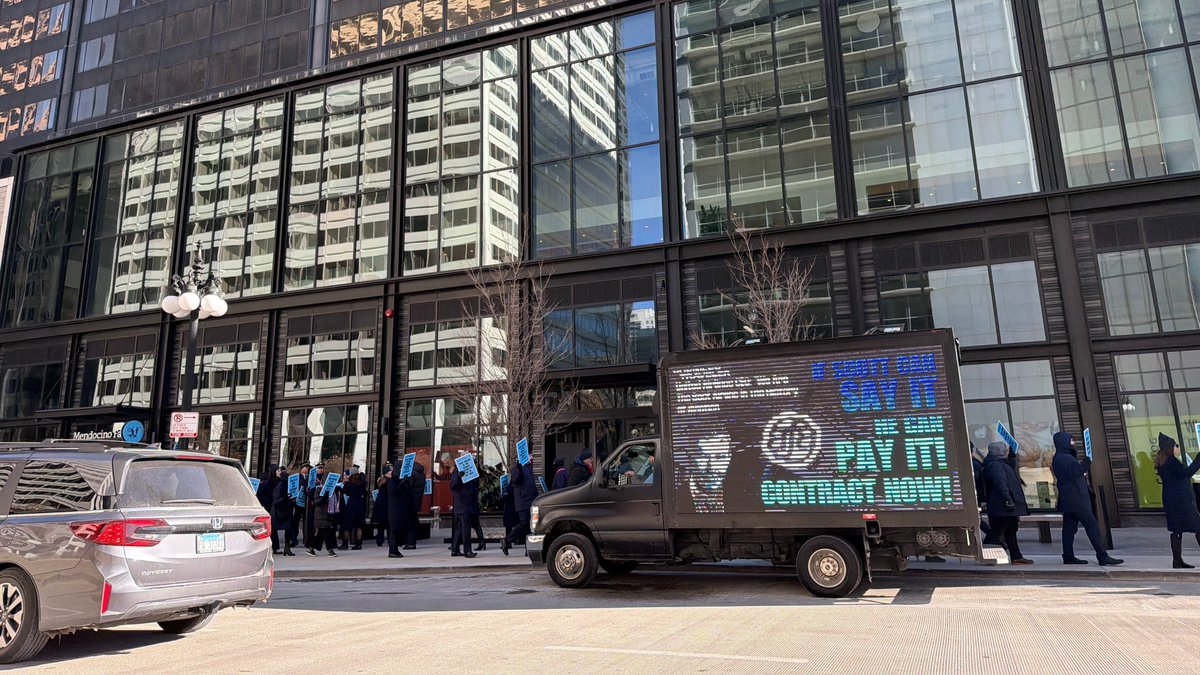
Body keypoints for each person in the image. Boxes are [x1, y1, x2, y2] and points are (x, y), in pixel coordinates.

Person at [1051, 431, 1122, 566]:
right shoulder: (1064, 458)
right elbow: (1075, 472)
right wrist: (1086, 463)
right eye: (1071, 441)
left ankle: (1068, 555)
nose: (1073, 443)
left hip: (1069, 499)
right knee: (1092, 527)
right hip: (1077, 498)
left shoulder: (1061, 457)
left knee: (1069, 529)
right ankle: (1102, 555)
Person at [981, 442, 1032, 564]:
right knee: (999, 530)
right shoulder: (994, 465)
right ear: (999, 451)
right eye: (1005, 449)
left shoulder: (997, 463)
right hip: (1002, 505)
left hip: (1003, 504)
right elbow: (1000, 482)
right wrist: (1007, 499)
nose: (1007, 451)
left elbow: (1008, 465)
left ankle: (1016, 556)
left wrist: (1012, 457)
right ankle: (987, 554)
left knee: (1011, 529)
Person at [1155, 432, 1200, 569]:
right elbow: (1186, 473)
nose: (1178, 447)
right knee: (1198, 527)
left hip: (1171, 499)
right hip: (1181, 500)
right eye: (1176, 445)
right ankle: (1177, 560)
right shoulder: (1171, 462)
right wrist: (1198, 459)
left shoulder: (1163, 461)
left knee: (1177, 530)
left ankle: (1177, 560)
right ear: (1170, 448)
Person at [500, 461, 537, 555]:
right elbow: (515, 480)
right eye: (530, 455)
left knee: (529, 526)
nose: (532, 457)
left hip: (530, 500)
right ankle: (507, 540)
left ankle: (527, 549)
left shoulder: (529, 468)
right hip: (523, 500)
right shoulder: (518, 467)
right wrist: (519, 467)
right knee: (524, 523)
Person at [450, 457, 479, 558]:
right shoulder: (457, 472)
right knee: (466, 528)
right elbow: (453, 486)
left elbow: (475, 488)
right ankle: (467, 551)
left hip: (469, 504)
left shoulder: (473, 473)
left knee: (459, 528)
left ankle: (455, 549)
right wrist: (459, 477)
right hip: (462, 504)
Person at [305, 468, 338, 557]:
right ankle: (330, 550)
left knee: (321, 535)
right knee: (326, 534)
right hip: (321, 515)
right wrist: (324, 496)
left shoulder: (333, 491)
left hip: (327, 515)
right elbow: (317, 502)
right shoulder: (319, 490)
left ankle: (311, 548)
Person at [271, 467, 295, 556]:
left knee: (288, 528)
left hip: (285, 510)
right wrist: (287, 498)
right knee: (277, 529)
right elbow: (277, 500)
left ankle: (287, 548)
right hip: (279, 511)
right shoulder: (280, 486)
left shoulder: (284, 485)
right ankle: (278, 547)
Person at [341, 473, 368, 550]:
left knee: (347, 526)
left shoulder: (349, 484)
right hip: (360, 505)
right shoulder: (362, 484)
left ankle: (345, 543)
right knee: (359, 526)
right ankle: (358, 544)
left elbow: (343, 491)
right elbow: (365, 494)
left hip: (351, 504)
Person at [256, 464, 279, 553]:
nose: (279, 473)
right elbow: (261, 495)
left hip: (274, 507)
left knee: (274, 526)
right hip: (268, 507)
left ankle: (275, 546)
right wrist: (270, 501)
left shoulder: (278, 482)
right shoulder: (266, 483)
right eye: (278, 471)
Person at [404, 462, 426, 550]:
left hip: (410, 501)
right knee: (413, 521)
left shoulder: (412, 475)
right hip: (416, 501)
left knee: (409, 522)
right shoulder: (422, 475)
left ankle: (410, 542)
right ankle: (412, 541)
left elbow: (408, 485)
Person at [970, 443, 991, 537]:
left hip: (974, 495)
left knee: (977, 519)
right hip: (975, 495)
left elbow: (975, 479)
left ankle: (993, 536)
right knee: (977, 519)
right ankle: (993, 537)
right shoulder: (975, 463)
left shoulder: (974, 464)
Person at [386, 463, 406, 558]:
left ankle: (395, 549)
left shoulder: (397, 479)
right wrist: (402, 483)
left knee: (398, 529)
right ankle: (392, 550)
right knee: (394, 529)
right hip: (394, 508)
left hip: (399, 507)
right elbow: (394, 492)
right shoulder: (393, 480)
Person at [372, 466, 390, 547]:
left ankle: (379, 540)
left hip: (379, 503)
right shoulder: (388, 481)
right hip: (387, 503)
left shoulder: (380, 480)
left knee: (380, 525)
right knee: (389, 524)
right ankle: (390, 540)